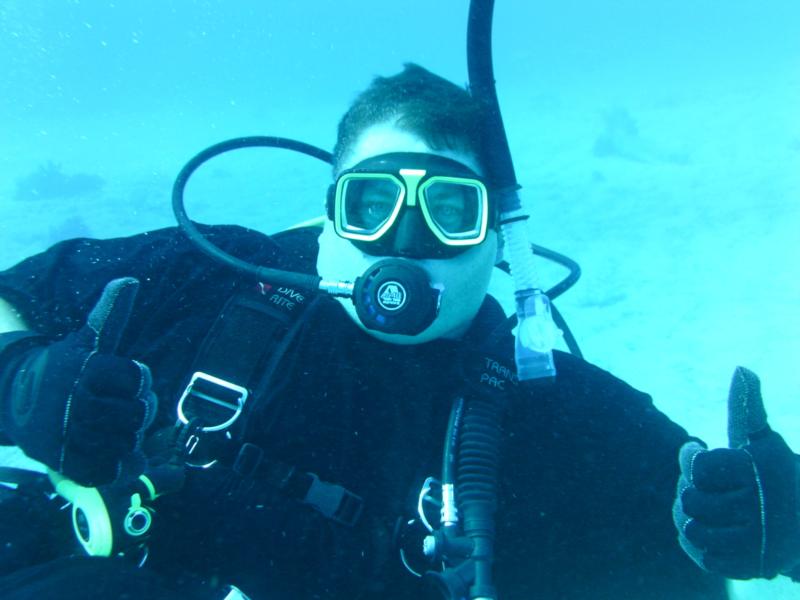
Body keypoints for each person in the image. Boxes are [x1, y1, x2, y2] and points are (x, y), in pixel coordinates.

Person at [0, 64, 797, 600]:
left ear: (500, 241)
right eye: (372, 202)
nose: (403, 242)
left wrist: (785, 532)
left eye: (450, 210)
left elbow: (714, 509)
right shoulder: (202, 278)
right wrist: (19, 375)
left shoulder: (571, 420)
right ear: (328, 218)